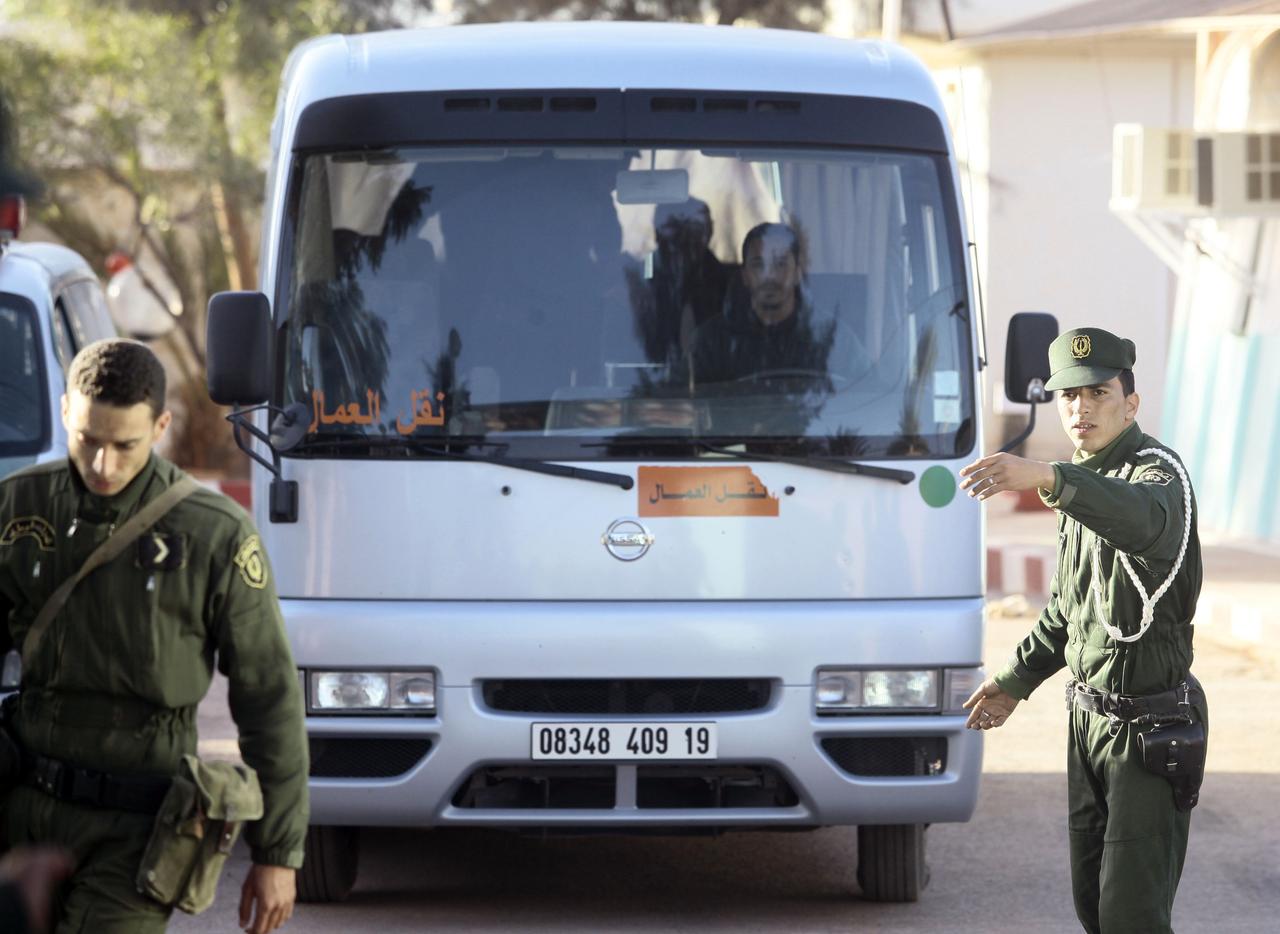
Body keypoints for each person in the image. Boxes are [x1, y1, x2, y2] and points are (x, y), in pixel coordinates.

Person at [0, 339, 308, 933]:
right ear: (66, 411)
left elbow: (269, 700)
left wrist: (278, 854)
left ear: (161, 426)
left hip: (139, 833)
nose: (103, 466)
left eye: (126, 446)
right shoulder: (17, 509)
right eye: (89, 441)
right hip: (23, 811)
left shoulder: (213, 534)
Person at [958, 327, 1207, 934]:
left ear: (1131, 403)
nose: (1080, 408)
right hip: (1089, 722)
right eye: (1068, 396)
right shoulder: (1079, 483)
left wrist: (1049, 478)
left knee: (1132, 917)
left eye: (1098, 392)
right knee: (1093, 907)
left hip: (1150, 726)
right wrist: (1014, 681)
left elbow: (1142, 523)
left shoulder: (1157, 475)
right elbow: (1069, 611)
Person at [689, 221, 839, 387]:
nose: (769, 276)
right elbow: (679, 398)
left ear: (797, 273)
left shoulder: (830, 335)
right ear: (744, 275)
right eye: (758, 265)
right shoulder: (711, 341)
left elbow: (867, 390)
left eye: (780, 264)